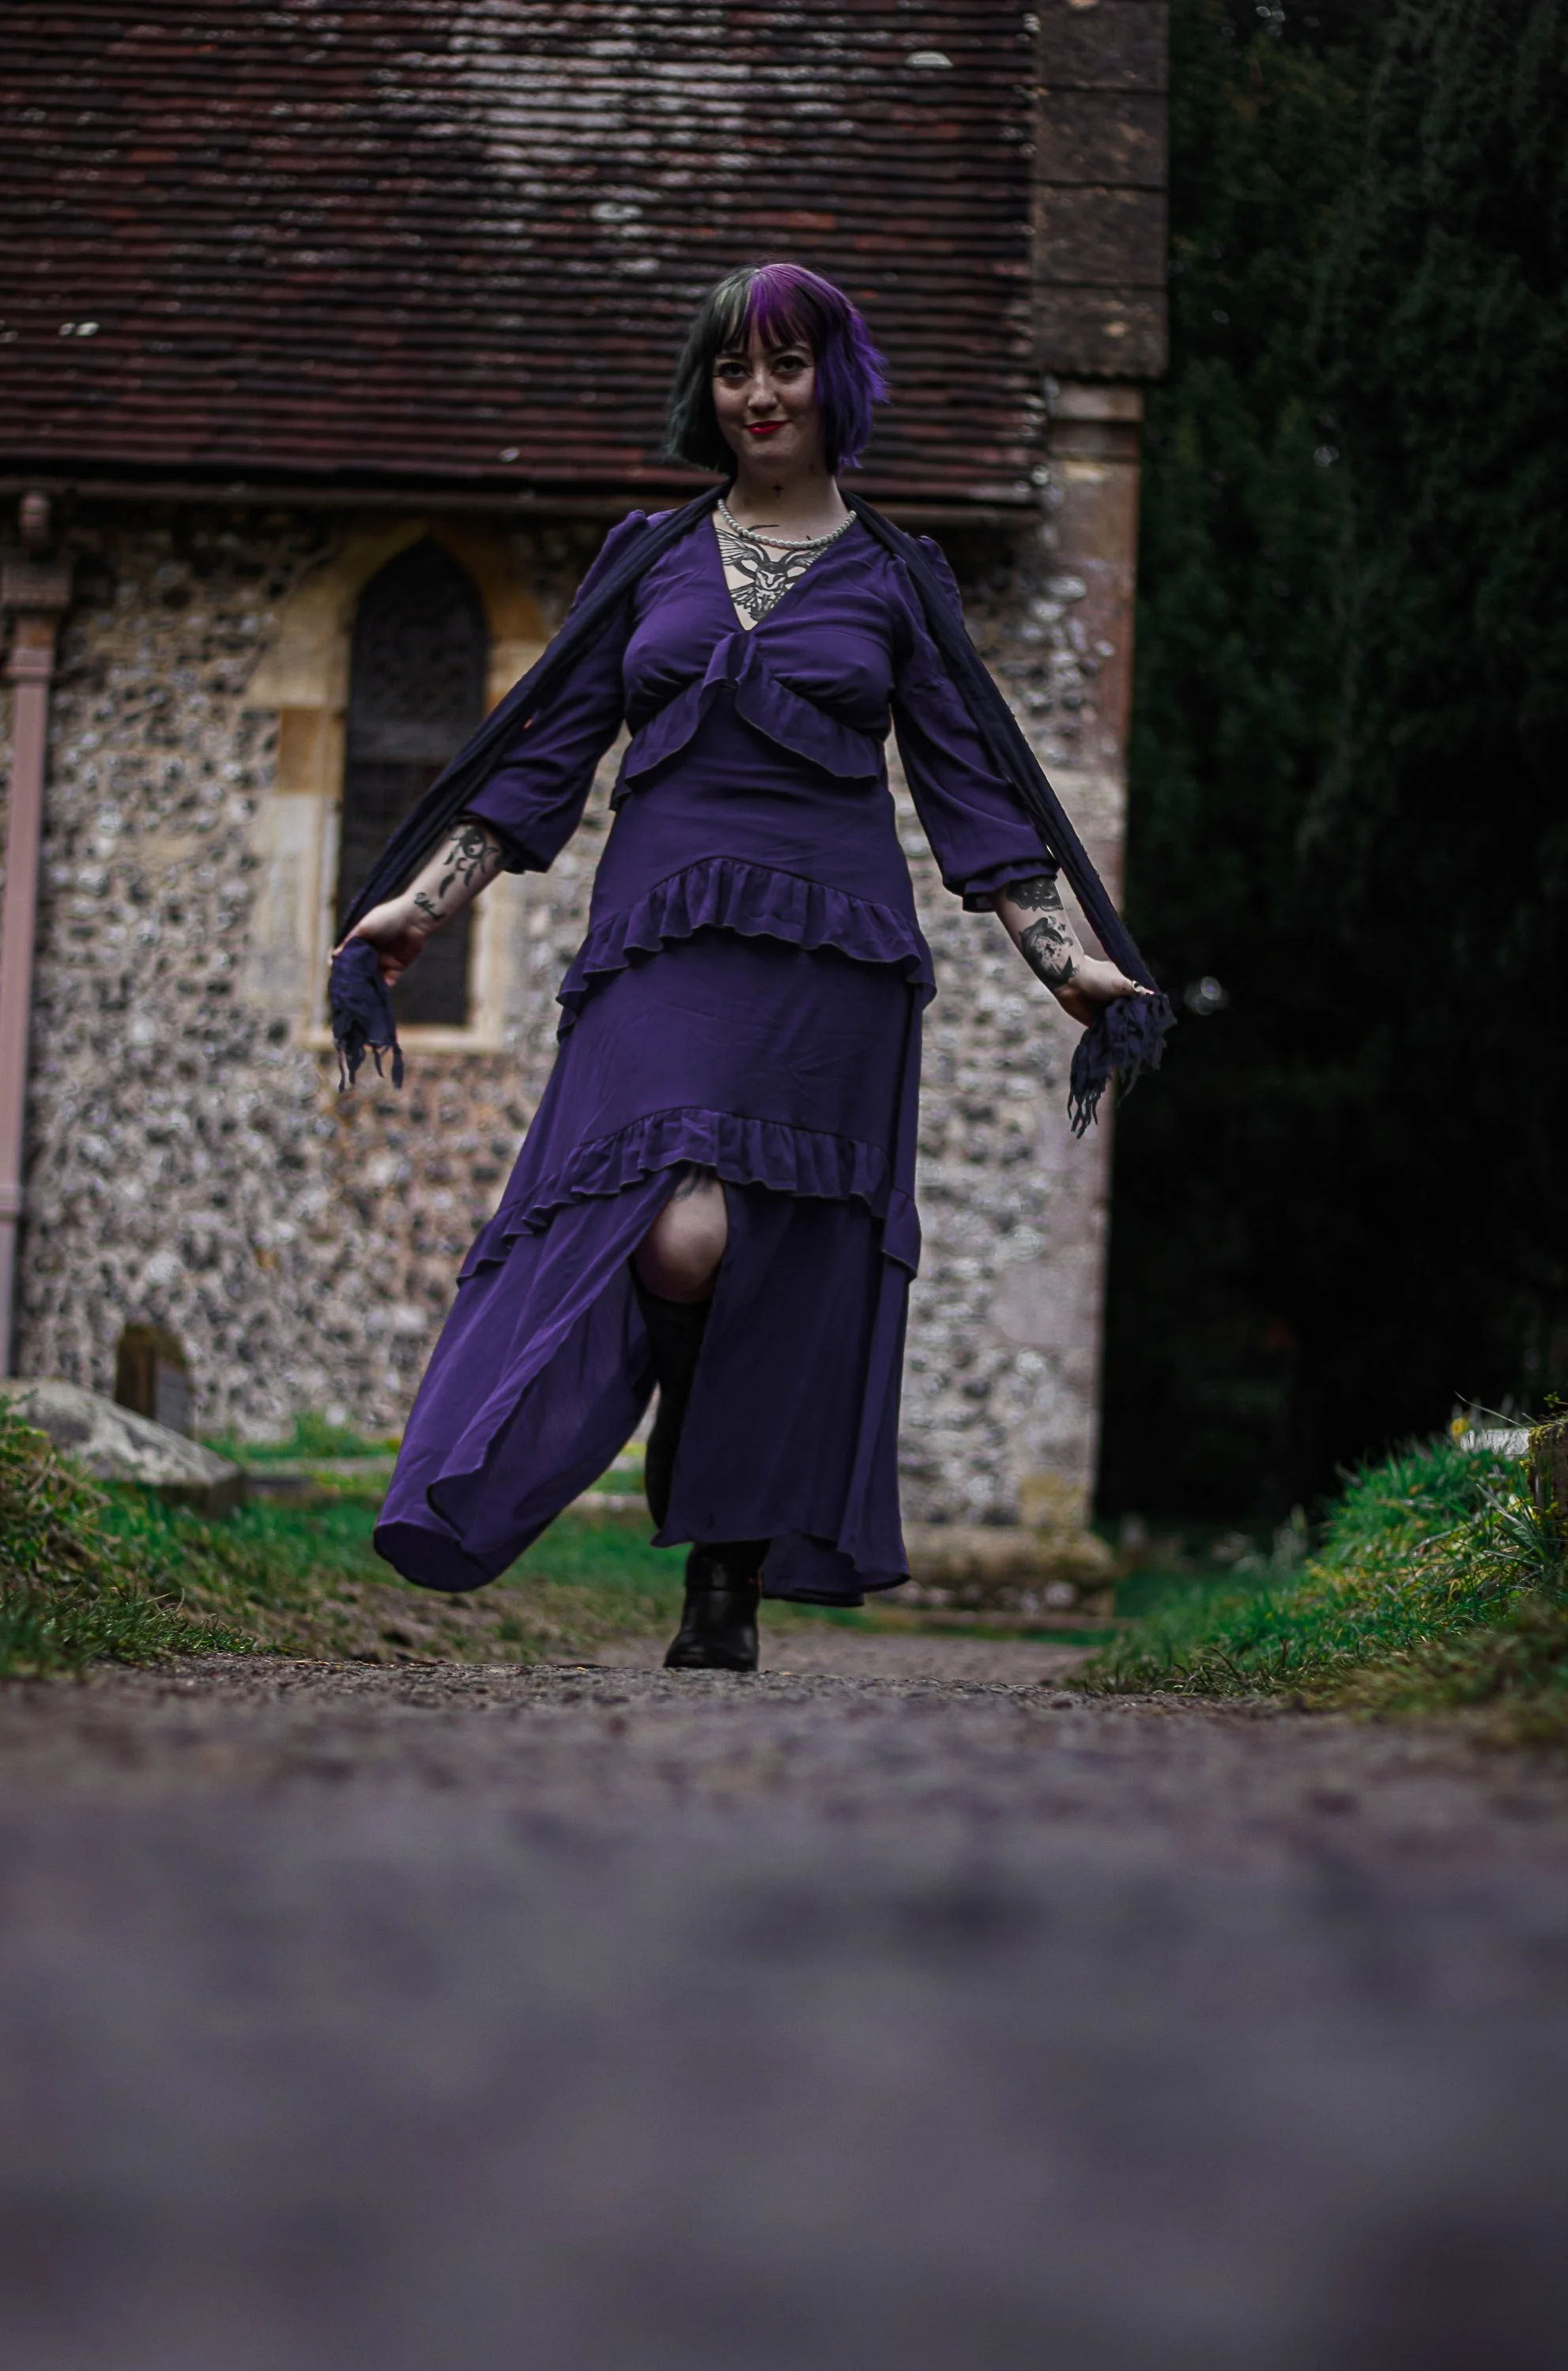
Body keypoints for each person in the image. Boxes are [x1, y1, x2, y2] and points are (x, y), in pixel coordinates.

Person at [339, 262, 1153, 1672]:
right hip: (659, 937)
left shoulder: (899, 575)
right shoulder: (646, 555)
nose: (759, 394)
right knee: (678, 1231)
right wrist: (424, 902)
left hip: (832, 958)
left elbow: (974, 796)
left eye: (784, 365)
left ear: (836, 383)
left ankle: (724, 1573)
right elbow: (540, 757)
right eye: (733, 370)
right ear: (706, 393)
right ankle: (675, 1481)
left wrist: (1065, 963)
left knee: (769, 1256)